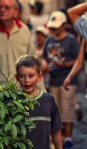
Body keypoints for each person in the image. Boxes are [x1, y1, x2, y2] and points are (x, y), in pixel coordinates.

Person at [42, 11, 79, 149]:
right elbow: (45, 56)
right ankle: (59, 137)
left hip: (68, 81)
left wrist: (65, 65)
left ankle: (68, 137)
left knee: (66, 109)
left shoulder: (71, 40)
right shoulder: (49, 41)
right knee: (55, 109)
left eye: (56, 27)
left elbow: (78, 60)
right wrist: (47, 65)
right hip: (53, 80)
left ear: (64, 25)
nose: (53, 30)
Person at [14, 54, 63, 149]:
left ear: (39, 76)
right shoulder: (13, 102)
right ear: (17, 78)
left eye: (31, 76)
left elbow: (56, 131)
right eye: (22, 76)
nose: (26, 80)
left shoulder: (49, 100)